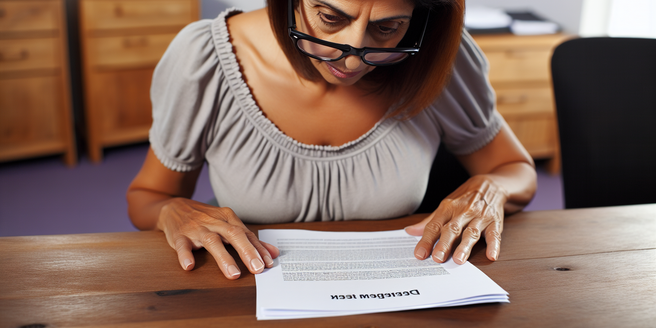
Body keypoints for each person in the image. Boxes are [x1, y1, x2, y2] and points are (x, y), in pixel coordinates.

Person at [126, 0, 537, 280]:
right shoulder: (205, 57)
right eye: (329, 17)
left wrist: (490, 188)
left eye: (388, 27)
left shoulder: (436, 58)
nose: (353, 56)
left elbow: (514, 170)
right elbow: (147, 197)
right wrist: (173, 211)